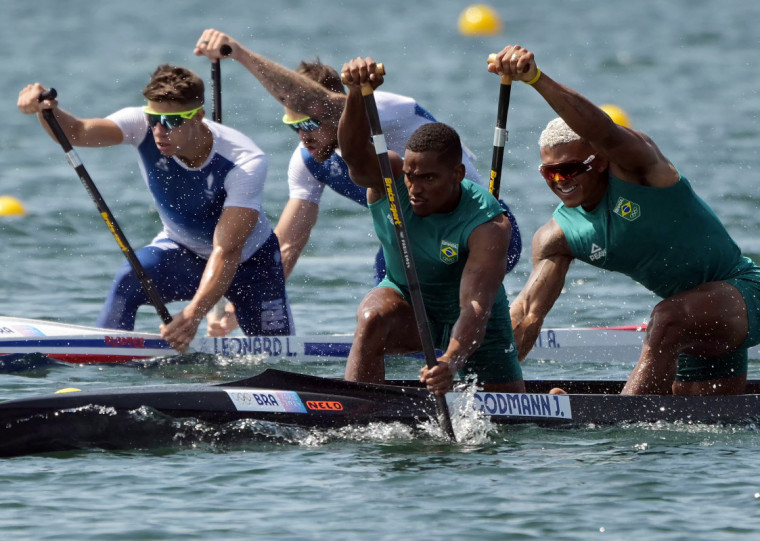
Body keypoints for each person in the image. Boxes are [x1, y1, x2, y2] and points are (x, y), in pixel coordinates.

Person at [194, 29, 522, 336]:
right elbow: (286, 246)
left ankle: (478, 336)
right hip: (413, 244)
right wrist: (242, 302)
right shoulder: (307, 162)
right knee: (384, 300)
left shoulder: (382, 109)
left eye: (310, 124)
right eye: (294, 127)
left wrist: (239, 54)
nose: (303, 137)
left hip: (483, 232)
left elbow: (317, 100)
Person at [490, 45, 760, 396]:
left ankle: (620, 427)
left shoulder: (639, 170)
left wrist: (536, 80)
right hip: (691, 324)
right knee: (700, 424)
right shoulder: (558, 236)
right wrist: (487, 388)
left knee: (664, 319)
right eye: (549, 174)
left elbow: (604, 131)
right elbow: (526, 314)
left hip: (741, 294)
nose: (562, 182)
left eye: (570, 169)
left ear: (600, 160)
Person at [17, 64, 293, 351]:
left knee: (277, 356)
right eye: (153, 118)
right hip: (183, 253)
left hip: (252, 266)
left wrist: (191, 315)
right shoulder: (140, 124)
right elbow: (77, 132)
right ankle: (106, 368)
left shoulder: (245, 161)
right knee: (129, 277)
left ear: (198, 116)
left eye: (171, 121)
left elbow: (227, 251)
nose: (159, 130)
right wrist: (45, 109)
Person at [338, 57, 525, 395]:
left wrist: (451, 361)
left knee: (511, 418)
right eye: (410, 176)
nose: (414, 188)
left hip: (474, 320)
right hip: (407, 304)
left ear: (458, 175)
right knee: (371, 318)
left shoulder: (488, 223)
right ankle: (358, 412)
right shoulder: (388, 178)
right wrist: (354, 92)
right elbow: (351, 154)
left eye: (428, 178)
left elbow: (475, 306)